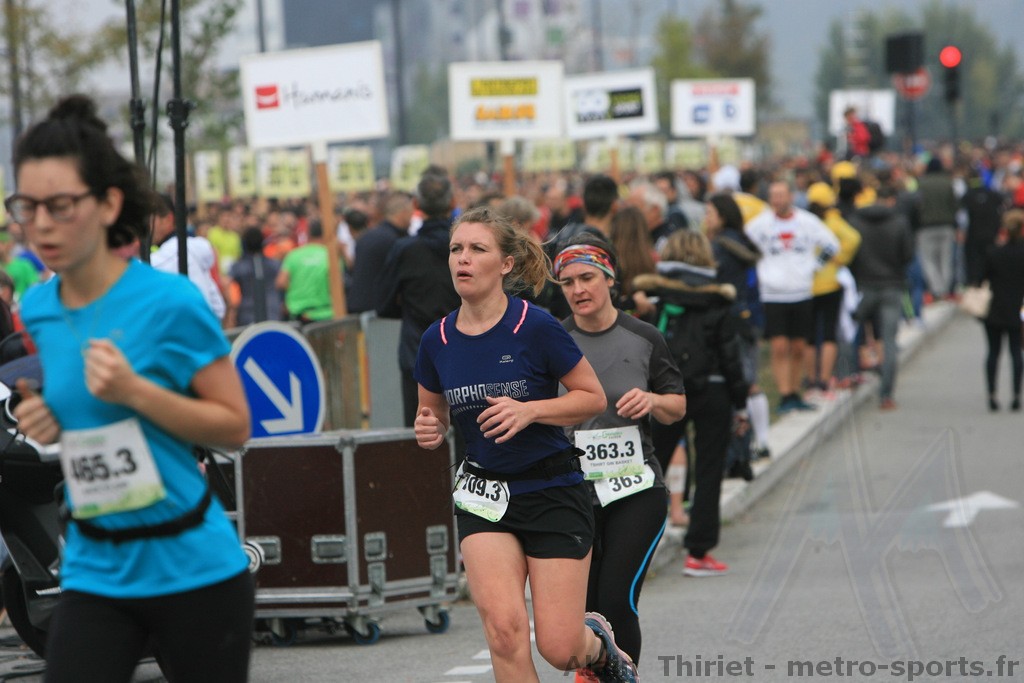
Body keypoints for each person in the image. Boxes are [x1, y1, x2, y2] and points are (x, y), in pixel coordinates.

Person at [7, 95, 253, 682]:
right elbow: (89, 414)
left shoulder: (170, 302)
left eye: (60, 206)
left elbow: (235, 427)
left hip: (193, 568)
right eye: (27, 207)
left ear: (108, 204)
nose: (41, 224)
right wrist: (51, 419)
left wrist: (137, 391)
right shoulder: (39, 307)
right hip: (95, 569)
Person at [413, 206, 638, 682]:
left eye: (477, 249)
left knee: (560, 649)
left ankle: (599, 648)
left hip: (552, 491)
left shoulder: (535, 327)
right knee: (503, 633)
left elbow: (591, 397)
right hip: (485, 497)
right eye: (456, 249)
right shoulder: (436, 340)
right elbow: (432, 415)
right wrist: (429, 429)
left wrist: (530, 410)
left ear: (506, 264)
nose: (463, 259)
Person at [556, 235, 686, 673]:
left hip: (636, 489)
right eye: (568, 282)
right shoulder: (553, 340)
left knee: (616, 601)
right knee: (583, 609)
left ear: (609, 278)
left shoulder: (644, 337)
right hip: (574, 493)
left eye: (587, 277)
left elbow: (677, 406)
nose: (578, 289)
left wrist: (652, 400)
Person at [633, 231, 749, 577]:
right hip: (713, 389)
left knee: (651, 465)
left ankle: (636, 543)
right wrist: (741, 402)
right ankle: (698, 552)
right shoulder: (718, 300)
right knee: (710, 469)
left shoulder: (653, 297)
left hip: (665, 392)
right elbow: (731, 357)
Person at [745, 181, 839, 414]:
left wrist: (813, 267)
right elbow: (745, 246)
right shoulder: (760, 225)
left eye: (781, 195)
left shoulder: (807, 222)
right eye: (773, 195)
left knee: (798, 346)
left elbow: (831, 245)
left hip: (801, 291)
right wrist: (760, 269)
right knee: (778, 346)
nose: (777, 200)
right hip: (773, 294)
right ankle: (784, 393)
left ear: (791, 196)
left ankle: (796, 391)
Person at [377, 172, 461, 427]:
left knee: (422, 434)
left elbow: (383, 304)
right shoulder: (465, 249)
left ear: (415, 205)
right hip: (464, 348)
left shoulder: (404, 250)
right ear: (452, 203)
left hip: (417, 350)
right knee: (471, 435)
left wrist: (409, 308)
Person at [847, 185, 915, 410]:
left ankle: (850, 375)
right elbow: (908, 254)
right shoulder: (899, 222)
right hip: (891, 286)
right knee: (889, 340)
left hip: (863, 286)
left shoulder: (855, 222)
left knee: (851, 332)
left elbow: (850, 254)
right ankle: (886, 394)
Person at [149, 193, 227, 322]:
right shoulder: (193, 250)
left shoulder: (161, 260)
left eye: (149, 219)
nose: (145, 226)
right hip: (204, 327)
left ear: (167, 219)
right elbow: (218, 308)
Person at [979, 209, 1024, 412]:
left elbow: (981, 278)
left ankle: (992, 394)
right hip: (1018, 309)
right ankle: (1016, 395)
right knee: (1016, 352)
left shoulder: (993, 252)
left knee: (993, 353)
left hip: (995, 309)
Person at [275, 218, 333, 323]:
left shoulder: (293, 255)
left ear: (308, 234)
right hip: (326, 313)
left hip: (299, 313)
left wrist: (297, 287)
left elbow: (281, 282)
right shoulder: (330, 256)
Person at [226, 226, 283, 327]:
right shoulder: (275, 265)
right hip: (273, 313)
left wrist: (231, 311)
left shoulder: (238, 267)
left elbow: (226, 284)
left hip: (247, 316)